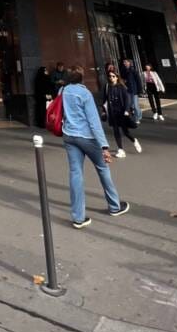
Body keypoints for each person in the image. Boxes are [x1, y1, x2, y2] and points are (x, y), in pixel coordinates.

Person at [61, 66, 129, 228]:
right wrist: (104, 146)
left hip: (69, 135)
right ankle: (114, 206)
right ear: (81, 79)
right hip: (87, 137)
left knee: (75, 173)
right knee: (102, 168)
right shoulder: (85, 94)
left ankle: (78, 217)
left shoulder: (62, 91)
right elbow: (94, 121)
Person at [103, 73, 142, 158]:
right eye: (110, 76)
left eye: (113, 76)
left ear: (117, 77)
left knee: (125, 131)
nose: (111, 78)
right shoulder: (107, 87)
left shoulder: (121, 87)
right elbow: (104, 100)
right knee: (116, 131)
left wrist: (127, 110)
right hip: (113, 112)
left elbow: (127, 99)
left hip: (122, 112)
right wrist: (104, 111)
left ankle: (134, 140)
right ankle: (121, 150)